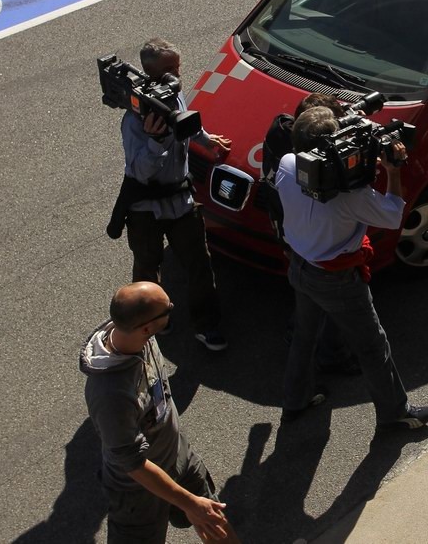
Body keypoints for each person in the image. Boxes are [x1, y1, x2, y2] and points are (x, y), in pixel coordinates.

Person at [275, 107, 428, 428]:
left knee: (305, 336)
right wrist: (393, 170)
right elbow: (391, 216)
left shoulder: (287, 165)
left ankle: (296, 400)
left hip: (300, 267)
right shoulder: (349, 194)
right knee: (373, 347)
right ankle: (394, 413)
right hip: (338, 281)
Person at [81, 282, 241, 543]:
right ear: (146, 327)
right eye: (168, 308)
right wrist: (190, 503)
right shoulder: (111, 394)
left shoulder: (140, 337)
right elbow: (133, 464)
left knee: (215, 522)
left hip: (179, 457)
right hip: (137, 493)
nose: (172, 310)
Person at [116, 38, 231, 351]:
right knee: (147, 266)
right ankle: (149, 323)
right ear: (148, 71)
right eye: (169, 69)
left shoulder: (173, 94)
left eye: (177, 67)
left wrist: (205, 139)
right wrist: (156, 142)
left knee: (199, 263)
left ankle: (207, 325)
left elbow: (185, 121)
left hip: (181, 200)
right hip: (145, 207)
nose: (176, 76)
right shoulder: (134, 120)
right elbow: (140, 171)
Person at [259, 93, 361, 378]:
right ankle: (333, 355)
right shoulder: (309, 166)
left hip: (288, 231)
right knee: (330, 302)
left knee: (305, 295)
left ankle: (298, 335)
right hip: (312, 242)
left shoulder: (280, 133)